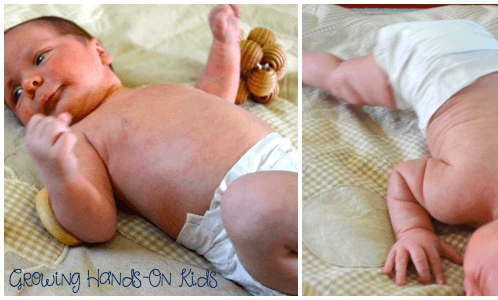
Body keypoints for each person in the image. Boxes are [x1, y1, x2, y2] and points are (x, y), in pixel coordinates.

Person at [4, 4, 297, 296]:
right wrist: (57, 171)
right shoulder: (78, 139)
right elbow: (97, 226)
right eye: (15, 93)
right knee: (253, 201)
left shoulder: (156, 90)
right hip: (239, 230)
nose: (29, 84)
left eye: (40, 58)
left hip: (283, 169)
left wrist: (226, 43)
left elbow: (215, 95)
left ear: (100, 52)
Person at [303, 19, 498, 295]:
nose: (468, 293)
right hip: (428, 56)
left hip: (487, 51)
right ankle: (297, 59)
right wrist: (413, 231)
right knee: (341, 79)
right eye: (480, 282)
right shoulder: (463, 192)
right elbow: (404, 177)